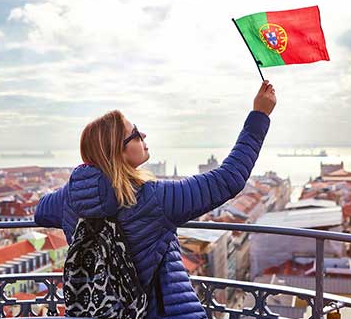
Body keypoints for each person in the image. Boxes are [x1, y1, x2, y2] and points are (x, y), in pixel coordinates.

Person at [35, 80, 276, 319]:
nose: (144, 134)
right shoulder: (152, 197)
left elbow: (40, 212)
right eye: (136, 134)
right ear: (119, 151)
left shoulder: (69, 199)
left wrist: (79, 184)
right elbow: (226, 181)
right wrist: (259, 115)